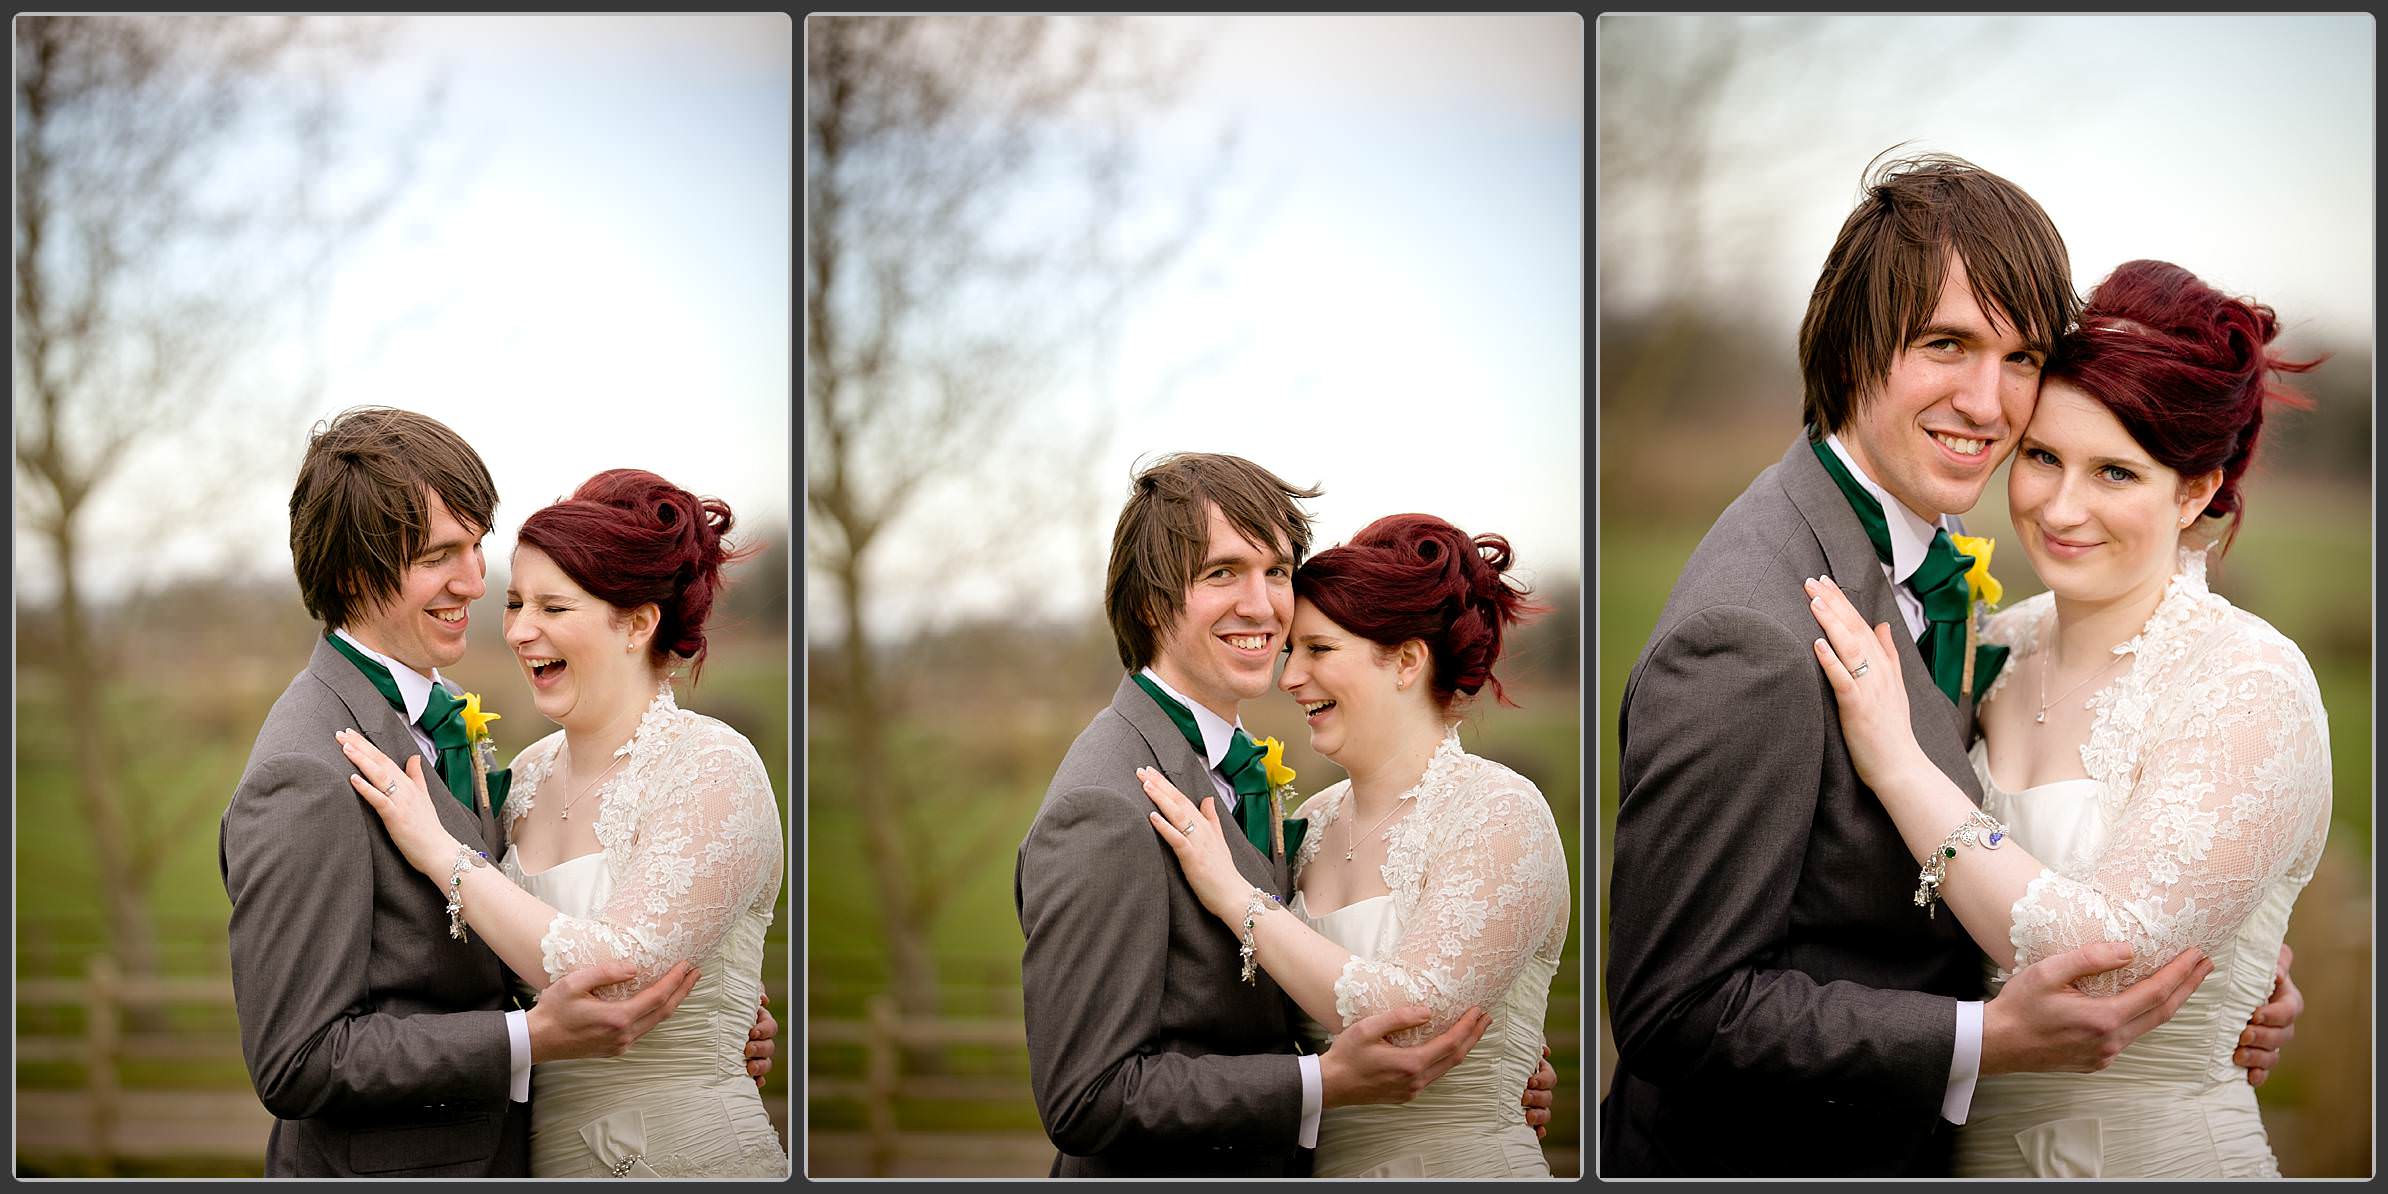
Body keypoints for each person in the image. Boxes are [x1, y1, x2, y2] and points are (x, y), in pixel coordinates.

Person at [1601, 154, 2303, 1177]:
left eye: (2022, 358)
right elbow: (1680, 1008)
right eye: (1946, 346)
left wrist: (2226, 968)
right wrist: (1984, 1042)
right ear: (1852, 349)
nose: (1989, 402)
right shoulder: (1751, 632)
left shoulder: (1962, 599)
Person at [1804, 259, 2330, 1177]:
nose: (2060, 507)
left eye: (2115, 473)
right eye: (2043, 456)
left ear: (2196, 490)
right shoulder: (1994, 647)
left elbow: (2105, 966)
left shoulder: (2248, 681)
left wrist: (1899, 765)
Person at [223, 412, 774, 1177]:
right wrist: (528, 1038)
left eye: (477, 547)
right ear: (354, 573)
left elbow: (522, 942)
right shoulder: (306, 771)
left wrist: (712, 1004)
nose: (477, 587)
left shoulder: (459, 728)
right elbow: (297, 1059)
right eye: (439, 556)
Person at [1013, 454, 1555, 1177]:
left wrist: (1485, 1062)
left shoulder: (1244, 775)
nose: (1264, 605)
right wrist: (1320, 1083)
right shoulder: (1104, 805)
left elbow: (1260, 1012)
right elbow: (1087, 1097)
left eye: (1275, 571)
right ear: (1149, 603)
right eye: (1222, 573)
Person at [1136, 513, 1569, 1177]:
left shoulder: (1499, 812)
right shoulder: (1307, 822)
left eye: (1319, 651)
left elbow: (1414, 1022)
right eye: (1291, 653)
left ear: (1405, 659)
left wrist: (1236, 897)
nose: (1289, 678)